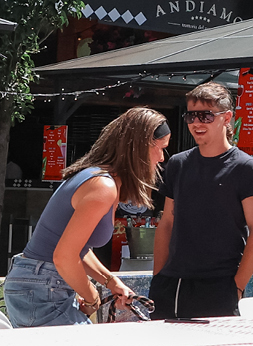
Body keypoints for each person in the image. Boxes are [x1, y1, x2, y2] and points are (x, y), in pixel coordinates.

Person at [7, 108, 163, 327]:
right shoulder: (103, 185)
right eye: (161, 149)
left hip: (38, 281)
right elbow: (65, 257)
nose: (162, 158)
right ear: (139, 149)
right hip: (44, 283)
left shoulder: (95, 177)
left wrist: (110, 281)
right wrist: (92, 296)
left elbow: (78, 249)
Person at [152, 83, 253, 320]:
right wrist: (158, 277)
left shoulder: (245, 167)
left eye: (205, 116)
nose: (197, 123)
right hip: (172, 284)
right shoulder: (177, 163)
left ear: (227, 118)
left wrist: (236, 287)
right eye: (191, 116)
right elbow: (167, 223)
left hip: (219, 285)